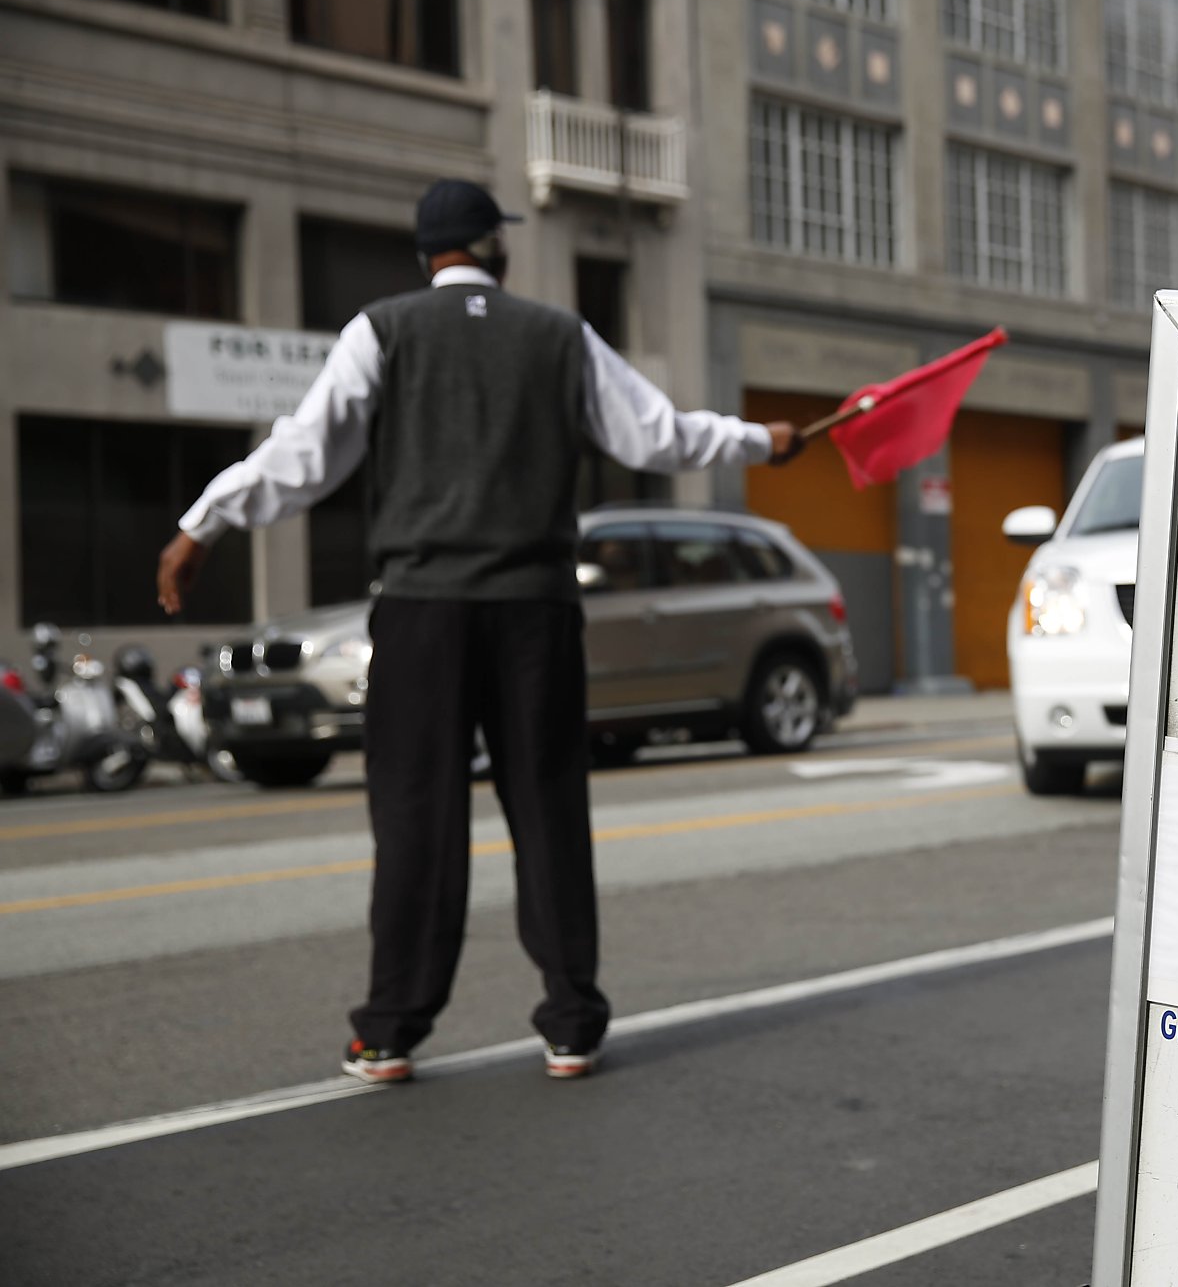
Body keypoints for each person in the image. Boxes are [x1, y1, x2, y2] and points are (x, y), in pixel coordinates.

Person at [156, 179, 802, 1084]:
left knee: (417, 815)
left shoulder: (381, 330)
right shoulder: (558, 334)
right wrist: (761, 441)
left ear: (427, 254)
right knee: (547, 809)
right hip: (536, 610)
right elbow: (659, 437)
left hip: (423, 612)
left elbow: (303, 460)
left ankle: (390, 1031)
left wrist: (202, 524)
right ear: (494, 247)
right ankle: (572, 1023)